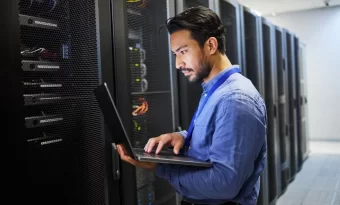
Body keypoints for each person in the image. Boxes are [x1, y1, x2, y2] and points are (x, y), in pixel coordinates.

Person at [116, 6, 267, 205]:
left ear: (211, 45)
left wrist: (161, 168)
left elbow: (225, 184)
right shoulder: (215, 92)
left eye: (183, 52)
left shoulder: (236, 99)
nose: (178, 63)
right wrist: (182, 137)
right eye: (175, 54)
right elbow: (216, 137)